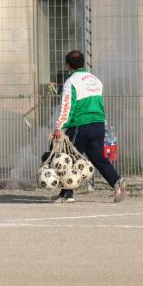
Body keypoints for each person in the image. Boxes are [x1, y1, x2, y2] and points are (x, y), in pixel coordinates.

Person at [52, 50, 126, 203]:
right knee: (97, 157)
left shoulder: (71, 82)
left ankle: (67, 194)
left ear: (67, 65)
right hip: (98, 124)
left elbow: (67, 106)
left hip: (81, 124)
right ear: (83, 62)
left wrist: (59, 127)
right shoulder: (95, 80)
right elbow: (99, 103)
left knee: (68, 158)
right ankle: (117, 182)